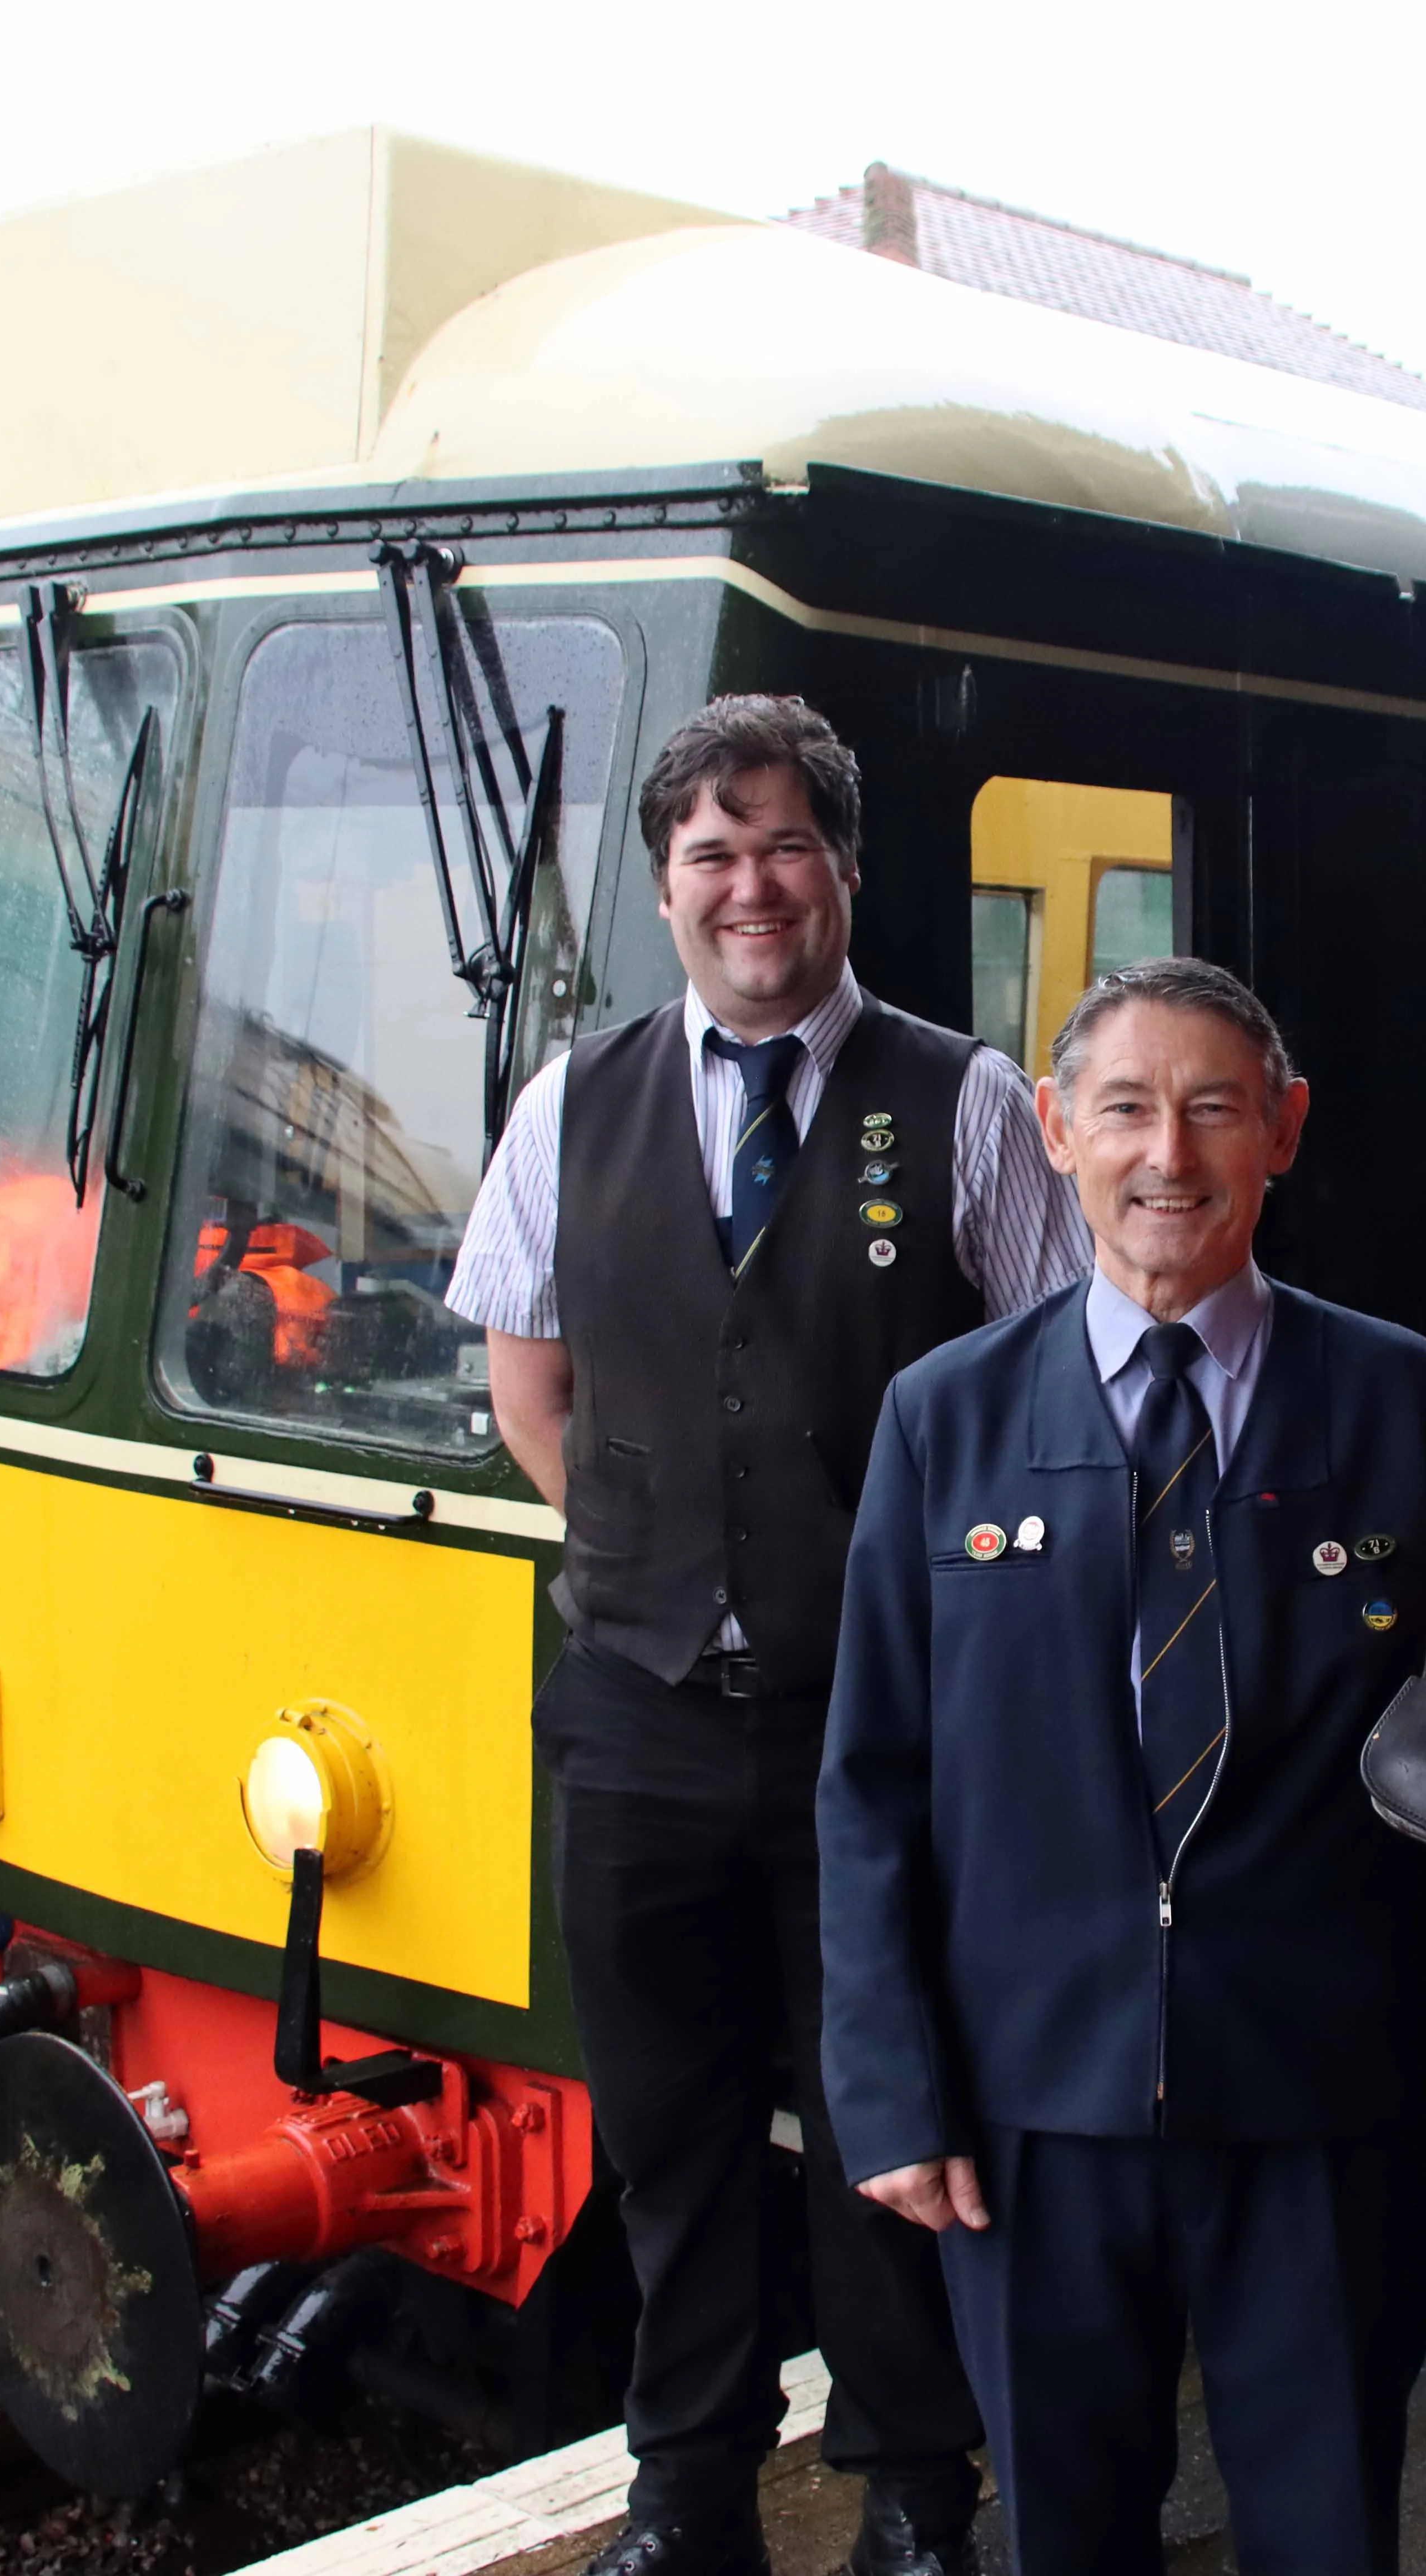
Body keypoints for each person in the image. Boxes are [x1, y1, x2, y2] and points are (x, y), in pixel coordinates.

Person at [819, 956, 1426, 2576]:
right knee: (1068, 2537)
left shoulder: (1416, 1405)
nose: (1170, 1154)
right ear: (1056, 1131)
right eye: (1126, 1109)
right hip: (1032, 2110)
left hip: (1325, 2093)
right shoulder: (945, 1418)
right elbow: (873, 1782)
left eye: (1216, 1108)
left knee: (1328, 2525)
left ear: (1283, 1132)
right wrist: (887, 2090)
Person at [447, 695, 1090, 2576]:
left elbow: (1056, 1389)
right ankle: (691, 2494)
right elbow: (529, 1383)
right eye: (712, 852)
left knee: (894, 2116)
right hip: (637, 1714)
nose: (751, 885)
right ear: (666, 889)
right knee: (675, 2133)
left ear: (846, 870)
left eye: (786, 843)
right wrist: (656, 1555)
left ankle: (914, 2488)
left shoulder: (965, 1099)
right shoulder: (573, 1103)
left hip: (880, 1726)